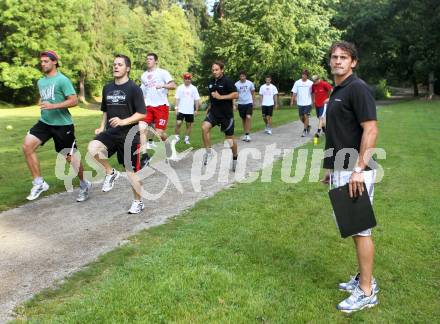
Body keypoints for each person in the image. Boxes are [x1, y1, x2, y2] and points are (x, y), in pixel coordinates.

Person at [323, 41, 379, 312]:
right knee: (352, 228)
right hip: (341, 169)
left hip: (356, 171)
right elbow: (336, 132)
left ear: (353, 62)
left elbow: (370, 130)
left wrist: (358, 169)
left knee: (360, 230)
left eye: (343, 57)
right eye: (334, 57)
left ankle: (367, 291)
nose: (337, 61)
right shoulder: (337, 90)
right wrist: (330, 168)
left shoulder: (357, 88)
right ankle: (364, 278)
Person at [22, 50, 90, 202]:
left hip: (62, 125)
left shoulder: (62, 80)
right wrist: (45, 104)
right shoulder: (41, 82)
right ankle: (39, 183)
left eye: (46, 61)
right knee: (27, 146)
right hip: (45, 122)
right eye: (42, 61)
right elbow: (47, 98)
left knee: (69, 157)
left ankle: (84, 183)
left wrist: (54, 106)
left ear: (54, 62)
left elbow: (73, 101)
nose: (43, 64)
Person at [87, 55, 146, 214]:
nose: (116, 67)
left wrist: (123, 121)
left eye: (120, 64)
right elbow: (105, 111)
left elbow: (141, 114)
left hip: (130, 134)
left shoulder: (134, 88)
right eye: (114, 64)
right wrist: (101, 127)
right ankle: (110, 172)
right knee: (93, 148)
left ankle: (138, 202)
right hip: (112, 133)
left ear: (127, 68)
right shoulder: (107, 88)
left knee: (131, 172)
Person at [202, 61, 239, 170]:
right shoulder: (211, 81)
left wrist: (221, 97)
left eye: (217, 69)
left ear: (222, 70)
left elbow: (236, 94)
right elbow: (212, 96)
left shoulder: (227, 81)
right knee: (204, 127)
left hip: (226, 115)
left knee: (229, 140)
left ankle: (235, 157)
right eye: (213, 70)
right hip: (214, 112)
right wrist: (209, 106)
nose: (214, 72)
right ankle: (208, 153)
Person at [140, 53, 176, 152]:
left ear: (156, 61)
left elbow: (173, 85)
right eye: (147, 59)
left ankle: (168, 144)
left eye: (150, 59)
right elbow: (143, 92)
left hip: (161, 106)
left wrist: (163, 85)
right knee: (141, 128)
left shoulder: (162, 72)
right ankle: (144, 156)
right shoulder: (143, 76)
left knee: (159, 133)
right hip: (148, 107)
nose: (148, 61)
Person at [174, 73, 201, 145]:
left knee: (188, 125)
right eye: (186, 79)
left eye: (189, 79)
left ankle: (186, 139)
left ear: (190, 79)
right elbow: (177, 98)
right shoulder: (180, 87)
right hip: (181, 110)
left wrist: (196, 110)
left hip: (189, 111)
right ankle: (176, 138)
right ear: (184, 79)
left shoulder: (194, 88)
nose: (187, 80)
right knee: (178, 123)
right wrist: (176, 108)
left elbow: (196, 100)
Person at [291, 70, 314, 137]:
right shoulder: (297, 82)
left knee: (305, 115)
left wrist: (313, 101)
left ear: (307, 76)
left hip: (308, 103)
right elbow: (294, 92)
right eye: (303, 75)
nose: (304, 76)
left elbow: (313, 93)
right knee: (301, 117)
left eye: (305, 75)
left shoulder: (310, 83)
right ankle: (308, 126)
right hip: (300, 103)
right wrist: (292, 100)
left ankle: (305, 130)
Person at [234, 71, 255, 142]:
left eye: (243, 76)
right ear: (239, 77)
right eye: (241, 76)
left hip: (249, 102)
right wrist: (234, 104)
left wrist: (253, 102)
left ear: (245, 76)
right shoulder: (236, 84)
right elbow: (235, 95)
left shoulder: (250, 83)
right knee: (243, 119)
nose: (242, 77)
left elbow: (253, 93)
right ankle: (245, 134)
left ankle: (248, 134)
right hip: (241, 103)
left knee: (248, 117)